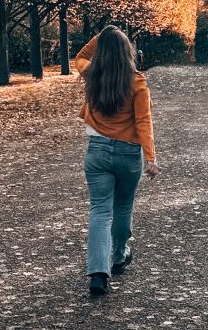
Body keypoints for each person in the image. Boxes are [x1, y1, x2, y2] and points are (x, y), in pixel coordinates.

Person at [75, 25, 160, 296]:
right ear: (127, 52)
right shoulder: (137, 82)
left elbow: (80, 55)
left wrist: (104, 34)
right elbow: (143, 121)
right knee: (122, 208)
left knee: (100, 211)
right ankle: (119, 256)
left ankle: (99, 273)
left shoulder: (92, 74)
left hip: (97, 152)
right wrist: (150, 157)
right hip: (128, 154)